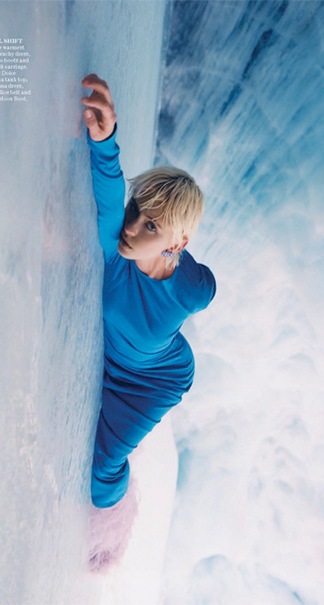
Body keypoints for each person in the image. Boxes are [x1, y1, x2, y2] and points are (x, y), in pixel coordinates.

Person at [80, 74, 215, 570]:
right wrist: (104, 136)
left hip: (156, 380)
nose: (132, 228)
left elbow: (206, 286)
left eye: (151, 227)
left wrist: (172, 245)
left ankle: (114, 530)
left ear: (177, 245)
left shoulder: (192, 286)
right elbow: (111, 189)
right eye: (138, 211)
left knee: (104, 468)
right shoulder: (117, 249)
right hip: (124, 358)